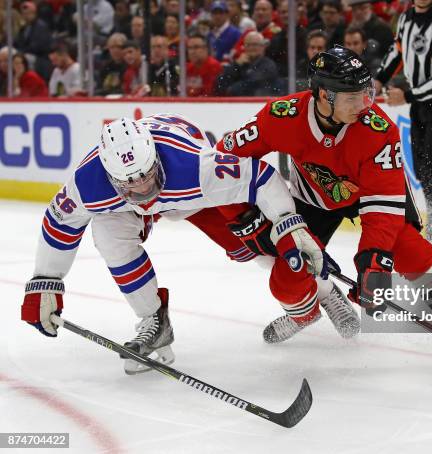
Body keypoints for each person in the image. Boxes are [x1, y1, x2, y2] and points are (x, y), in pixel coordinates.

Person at [217, 46, 432, 366]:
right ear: (323, 95)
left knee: (413, 253)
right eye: (352, 97)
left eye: (366, 93)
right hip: (312, 200)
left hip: (371, 197)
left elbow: (383, 208)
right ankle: (309, 309)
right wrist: (243, 217)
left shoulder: (379, 131)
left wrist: (373, 265)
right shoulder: (281, 117)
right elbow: (224, 160)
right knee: (286, 281)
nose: (365, 105)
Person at [20, 113, 328, 375]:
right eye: (129, 182)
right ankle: (153, 319)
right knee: (108, 236)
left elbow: (260, 178)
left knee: (252, 247)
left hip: (188, 197)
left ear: (154, 157)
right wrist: (45, 281)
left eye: (145, 176)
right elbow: (59, 223)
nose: (142, 188)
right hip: (127, 208)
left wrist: (288, 224)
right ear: (109, 174)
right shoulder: (87, 183)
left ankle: (320, 288)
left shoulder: (195, 167)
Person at [376, 0, 432, 256]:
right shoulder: (406, 19)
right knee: (423, 168)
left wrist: (407, 96)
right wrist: (378, 78)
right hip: (421, 104)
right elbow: (397, 53)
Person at [215, 31, 280, 95]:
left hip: (260, 102)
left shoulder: (268, 65)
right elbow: (220, 83)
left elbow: (253, 83)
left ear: (262, 46)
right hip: (237, 103)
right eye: (248, 45)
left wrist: (231, 89)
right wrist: (236, 65)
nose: (251, 47)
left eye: (255, 44)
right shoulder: (240, 63)